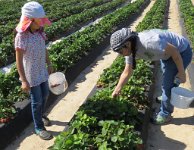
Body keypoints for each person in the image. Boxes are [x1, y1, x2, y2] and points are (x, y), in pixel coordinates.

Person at [110, 28, 193, 125]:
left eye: (120, 51)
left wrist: (182, 73)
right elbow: (127, 71)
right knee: (167, 79)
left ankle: (165, 114)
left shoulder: (150, 43)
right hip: (166, 55)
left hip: (181, 52)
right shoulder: (130, 51)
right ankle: (167, 96)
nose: (120, 54)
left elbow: (175, 52)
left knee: (168, 87)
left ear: (127, 44)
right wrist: (117, 89)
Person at [15, 1, 53, 140]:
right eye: (39, 20)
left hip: (42, 70)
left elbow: (44, 49)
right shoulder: (21, 37)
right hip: (31, 74)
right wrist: (23, 80)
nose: (42, 22)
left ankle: (42, 115)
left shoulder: (39, 32)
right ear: (29, 20)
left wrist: (49, 64)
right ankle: (38, 127)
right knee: (36, 100)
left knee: (45, 95)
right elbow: (18, 61)